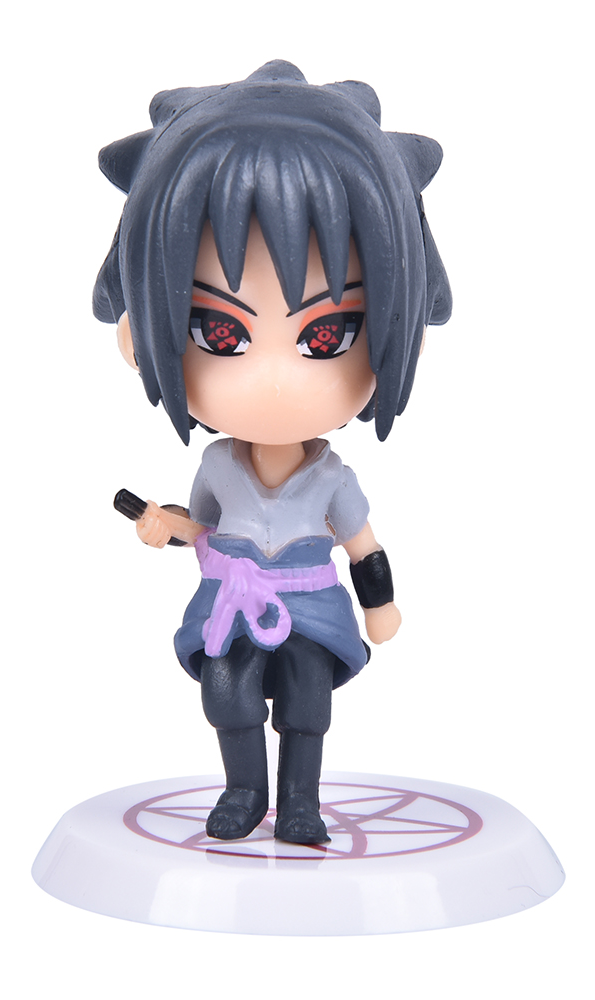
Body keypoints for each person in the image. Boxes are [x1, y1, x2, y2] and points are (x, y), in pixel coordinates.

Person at [93, 60, 451, 844]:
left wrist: (380, 605)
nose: (276, 379)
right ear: (137, 333)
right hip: (227, 604)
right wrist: (167, 527)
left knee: (307, 701)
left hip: (313, 603)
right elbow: (204, 526)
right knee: (225, 692)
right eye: (220, 332)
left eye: (328, 335)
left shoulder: (332, 478)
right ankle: (243, 792)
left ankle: (299, 802)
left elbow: (364, 546)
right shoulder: (218, 467)